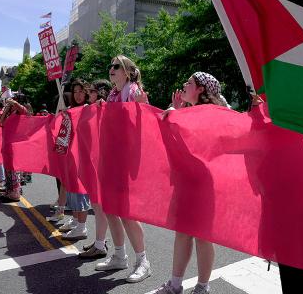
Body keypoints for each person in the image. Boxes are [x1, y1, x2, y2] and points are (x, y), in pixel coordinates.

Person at [155, 71, 229, 294]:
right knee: (182, 233)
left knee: (203, 237)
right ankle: (175, 284)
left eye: (189, 82)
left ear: (201, 90)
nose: (184, 85)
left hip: (204, 183)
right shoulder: (186, 111)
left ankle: (202, 287)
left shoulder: (211, 113)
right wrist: (174, 114)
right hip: (184, 181)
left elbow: (201, 147)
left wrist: (176, 115)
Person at [95, 55, 152, 283]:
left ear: (127, 72)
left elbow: (145, 121)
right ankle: (119, 256)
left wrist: (143, 106)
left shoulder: (134, 91)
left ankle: (143, 261)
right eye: (110, 66)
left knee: (127, 212)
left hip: (126, 159)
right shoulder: (112, 95)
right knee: (110, 207)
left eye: (116, 66)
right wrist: (102, 108)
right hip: (111, 157)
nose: (111, 69)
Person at [79, 78, 113, 259]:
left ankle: (100, 245)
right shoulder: (91, 109)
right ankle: (100, 241)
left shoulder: (105, 109)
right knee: (97, 206)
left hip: (101, 163)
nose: (88, 93)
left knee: (100, 207)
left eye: (92, 91)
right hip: (93, 163)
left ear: (101, 93)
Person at [58, 79, 92, 240]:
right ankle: (76, 220)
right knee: (72, 189)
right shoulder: (71, 110)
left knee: (81, 191)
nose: (78, 95)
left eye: (81, 91)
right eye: (75, 91)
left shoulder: (89, 109)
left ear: (86, 92)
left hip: (83, 156)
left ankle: (82, 226)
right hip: (70, 156)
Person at [0, 93, 32, 202]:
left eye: (14, 99)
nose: (11, 101)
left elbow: (26, 112)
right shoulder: (11, 111)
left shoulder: (22, 110)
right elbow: (1, 122)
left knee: (13, 169)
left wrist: (14, 103)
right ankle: (10, 191)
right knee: (8, 168)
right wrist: (7, 108)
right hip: (7, 142)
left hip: (16, 144)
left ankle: (14, 193)